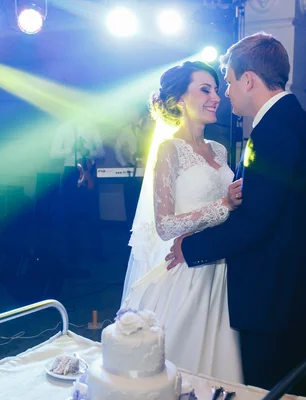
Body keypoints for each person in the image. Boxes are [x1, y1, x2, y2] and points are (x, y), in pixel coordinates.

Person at [165, 32, 306, 395]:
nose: (225, 93)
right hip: (301, 291)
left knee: (268, 388)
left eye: (228, 82)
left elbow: (256, 224)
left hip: (277, 299)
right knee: (292, 386)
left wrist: (191, 249)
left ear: (248, 79)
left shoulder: (272, 132)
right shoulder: (302, 124)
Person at [121, 61, 244, 382]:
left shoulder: (219, 149)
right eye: (205, 89)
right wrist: (224, 204)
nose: (216, 97)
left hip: (222, 267)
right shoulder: (168, 150)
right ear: (178, 100)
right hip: (188, 271)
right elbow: (165, 225)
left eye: (216, 89)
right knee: (181, 365)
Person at [50, 120, 105, 263]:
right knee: (70, 214)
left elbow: (101, 152)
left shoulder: (92, 126)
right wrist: (71, 150)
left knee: (93, 212)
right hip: (71, 172)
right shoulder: (63, 128)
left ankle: (97, 253)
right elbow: (53, 153)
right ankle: (73, 253)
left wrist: (89, 152)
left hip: (89, 172)